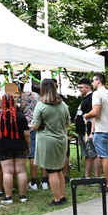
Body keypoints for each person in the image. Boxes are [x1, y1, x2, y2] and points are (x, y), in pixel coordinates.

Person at [33, 78, 72, 206]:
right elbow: (68, 124)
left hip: (47, 140)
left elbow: (35, 125)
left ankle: (57, 199)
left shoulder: (41, 105)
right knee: (59, 170)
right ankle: (63, 196)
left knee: (51, 171)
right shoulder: (63, 104)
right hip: (62, 139)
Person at [0, 94, 31, 204]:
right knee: (21, 171)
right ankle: (23, 196)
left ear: (2, 104)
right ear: (14, 103)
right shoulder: (20, 117)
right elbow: (27, 134)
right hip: (20, 146)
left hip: (4, 147)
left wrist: (0, 134)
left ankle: (8, 197)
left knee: (7, 172)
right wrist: (28, 147)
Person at [84, 72, 108, 193]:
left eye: (93, 81)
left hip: (101, 131)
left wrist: (86, 116)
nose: (92, 83)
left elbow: (95, 112)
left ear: (98, 81)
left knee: (104, 157)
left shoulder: (97, 93)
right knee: (107, 156)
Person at [17, 81, 41, 190]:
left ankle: (34, 182)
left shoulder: (19, 98)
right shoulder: (36, 95)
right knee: (42, 154)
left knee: (32, 155)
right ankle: (44, 181)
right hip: (40, 125)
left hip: (28, 127)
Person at [76, 78, 100, 180]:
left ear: (87, 87)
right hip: (82, 131)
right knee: (87, 154)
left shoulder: (91, 98)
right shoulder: (85, 98)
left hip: (88, 131)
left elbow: (94, 115)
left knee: (94, 154)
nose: (79, 89)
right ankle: (87, 176)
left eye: (81, 87)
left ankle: (97, 177)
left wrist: (92, 132)